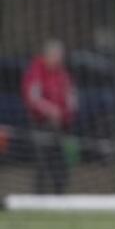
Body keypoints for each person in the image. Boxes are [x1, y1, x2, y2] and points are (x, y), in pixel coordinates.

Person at [20, 38, 77, 194]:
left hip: (60, 126)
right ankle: (40, 195)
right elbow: (33, 97)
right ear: (48, 55)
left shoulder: (62, 74)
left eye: (61, 56)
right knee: (43, 161)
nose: (59, 59)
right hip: (41, 124)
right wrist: (50, 110)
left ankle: (59, 195)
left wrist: (67, 113)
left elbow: (70, 96)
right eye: (56, 55)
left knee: (61, 162)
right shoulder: (36, 71)